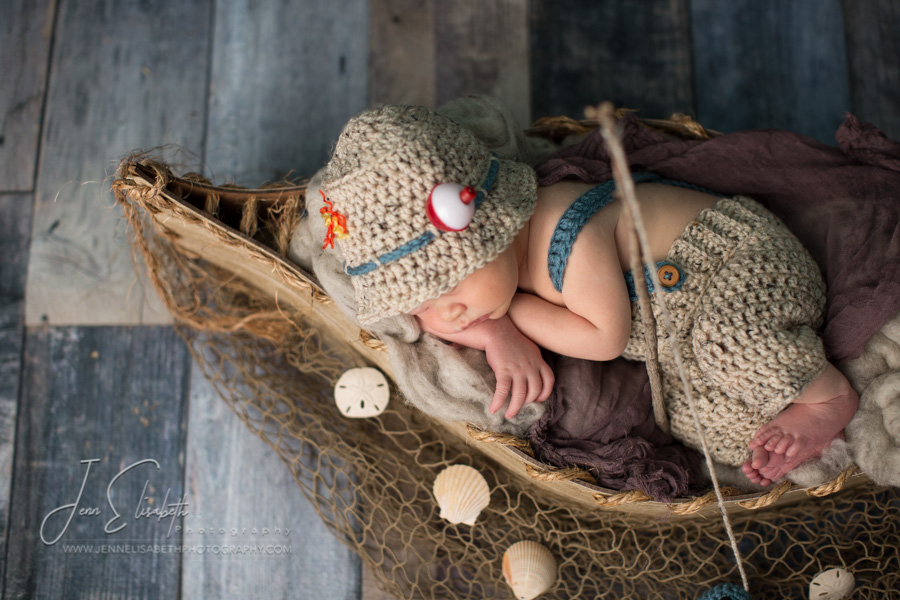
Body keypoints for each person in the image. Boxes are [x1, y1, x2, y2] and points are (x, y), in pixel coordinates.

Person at [322, 104, 859, 486]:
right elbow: (463, 308)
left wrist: (506, 323)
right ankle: (790, 407)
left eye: (448, 283)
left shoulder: (567, 231)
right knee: (700, 422)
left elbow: (604, 339)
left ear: (496, 226)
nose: (448, 313)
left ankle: (830, 395)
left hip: (738, 267)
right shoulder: (496, 276)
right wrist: (493, 324)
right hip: (678, 322)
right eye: (422, 304)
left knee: (732, 342)